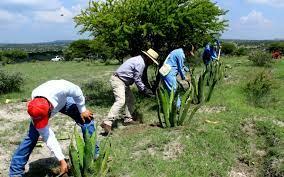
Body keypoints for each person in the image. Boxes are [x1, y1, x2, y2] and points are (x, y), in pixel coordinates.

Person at [9, 80, 98, 177]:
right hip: (46, 108)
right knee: (32, 137)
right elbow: (48, 137)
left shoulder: (61, 88)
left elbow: (77, 91)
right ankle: (15, 172)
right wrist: (62, 159)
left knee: (87, 120)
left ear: (50, 109)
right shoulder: (34, 107)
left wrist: (82, 109)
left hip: (64, 101)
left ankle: (94, 156)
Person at [101, 49, 159, 133]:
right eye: (152, 60)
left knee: (131, 100)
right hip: (118, 80)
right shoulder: (140, 63)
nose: (152, 62)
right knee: (120, 101)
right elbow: (137, 78)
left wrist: (144, 88)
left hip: (123, 82)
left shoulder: (138, 59)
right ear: (147, 57)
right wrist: (144, 89)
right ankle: (107, 122)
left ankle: (128, 119)